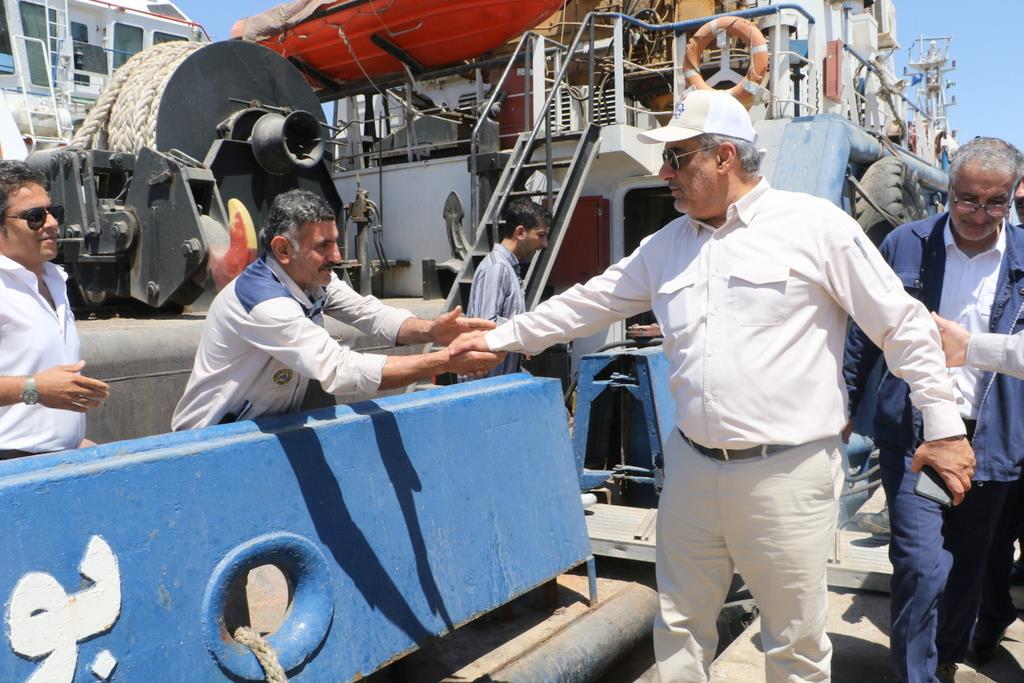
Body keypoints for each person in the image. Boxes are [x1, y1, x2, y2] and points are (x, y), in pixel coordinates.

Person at [451, 89, 970, 683]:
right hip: (692, 469)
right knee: (678, 627)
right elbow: (589, 301)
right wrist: (498, 337)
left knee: (795, 644)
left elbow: (902, 326)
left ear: (724, 156)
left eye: (675, 158)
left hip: (787, 473)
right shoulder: (667, 246)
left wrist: (944, 428)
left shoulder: (814, 226)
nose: (663, 173)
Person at [844, 136, 1024, 683]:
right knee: (921, 565)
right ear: (948, 189)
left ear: (1012, 197)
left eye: (995, 203)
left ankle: (945, 655)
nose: (979, 214)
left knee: (968, 564)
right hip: (915, 434)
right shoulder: (905, 244)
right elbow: (863, 334)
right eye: (968, 199)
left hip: (991, 439)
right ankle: (915, 675)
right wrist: (844, 401)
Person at [172, 189, 502, 430]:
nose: (337, 256)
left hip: (259, 428)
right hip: (210, 438)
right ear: (283, 249)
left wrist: (431, 330)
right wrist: (444, 361)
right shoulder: (264, 303)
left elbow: (370, 313)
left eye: (336, 242)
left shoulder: (312, 279)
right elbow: (339, 369)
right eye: (324, 246)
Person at [0, 160, 109, 457]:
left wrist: (73, 442)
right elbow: (41, 385)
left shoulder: (55, 279)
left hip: (59, 459)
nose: (51, 223)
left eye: (53, 212)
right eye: (35, 217)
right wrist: (34, 388)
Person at [464, 197, 550, 377]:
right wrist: (526, 336)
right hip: (488, 384)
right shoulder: (497, 268)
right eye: (541, 235)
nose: (544, 244)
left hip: (502, 379)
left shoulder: (508, 268)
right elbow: (486, 325)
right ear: (520, 232)